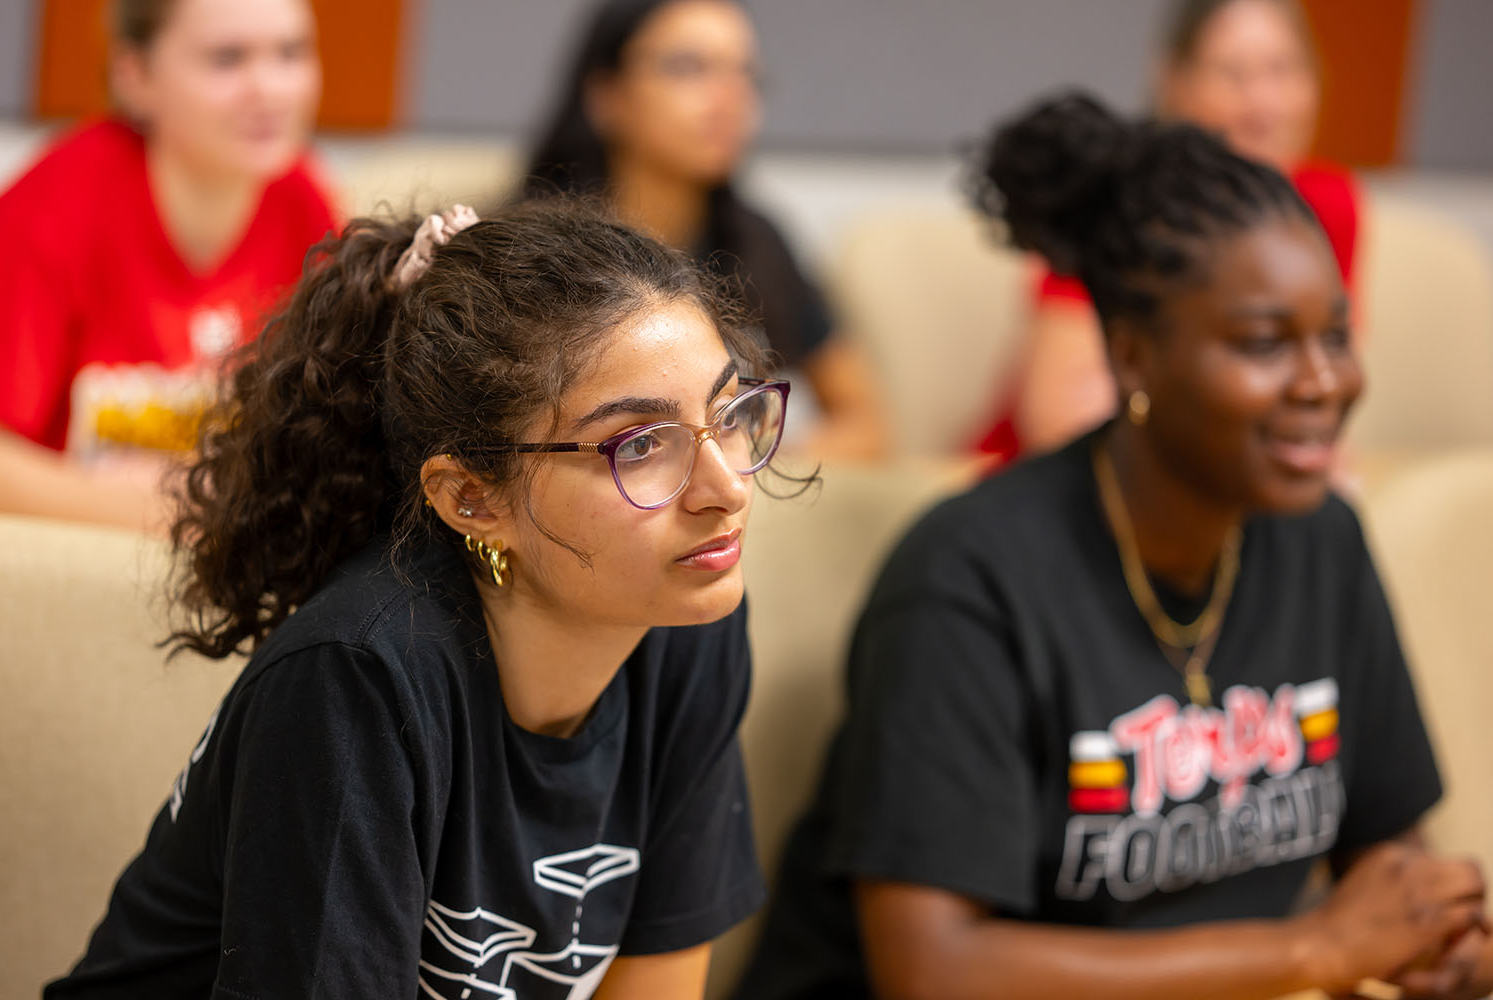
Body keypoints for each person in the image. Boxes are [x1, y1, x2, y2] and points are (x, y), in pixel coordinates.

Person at [733, 93, 1491, 1000]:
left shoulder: (1322, 539)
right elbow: (934, 971)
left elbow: (1389, 867)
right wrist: (1312, 954)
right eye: (1265, 344)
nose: (1325, 381)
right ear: (1132, 356)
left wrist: (1436, 943)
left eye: (1334, 334)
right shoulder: (970, 577)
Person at [44, 199, 790, 998]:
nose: (725, 489)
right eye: (639, 445)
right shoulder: (356, 676)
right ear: (472, 498)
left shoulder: (685, 615)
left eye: (728, 413)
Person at [0, 0, 339, 530]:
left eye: (291, 52)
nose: (269, 88)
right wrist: (208, 509)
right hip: (2, 557)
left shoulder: (303, 205)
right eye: (227, 58)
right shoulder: (46, 212)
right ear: (135, 76)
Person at [975, 0, 1358, 464]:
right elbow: (1059, 419)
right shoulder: (1124, 204)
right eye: (1233, 74)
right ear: (1175, 82)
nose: (1263, 103)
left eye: (1283, 69)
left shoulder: (1327, 205)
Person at [524, 0, 888, 461]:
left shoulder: (759, 242)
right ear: (606, 95)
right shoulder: (531, 254)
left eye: (745, 74)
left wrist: (747, 464)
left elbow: (865, 422)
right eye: (689, 67)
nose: (729, 97)